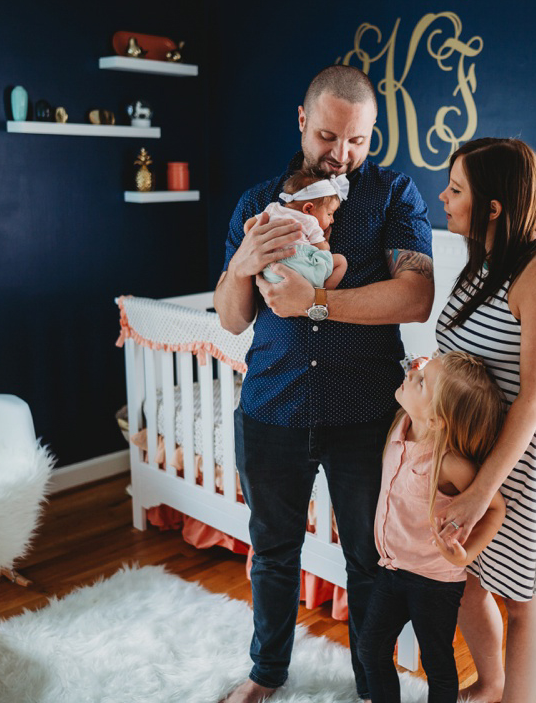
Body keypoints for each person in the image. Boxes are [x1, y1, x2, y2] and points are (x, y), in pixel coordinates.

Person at [213, 64, 435, 703]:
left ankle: (372, 685)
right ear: (303, 121)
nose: (343, 155)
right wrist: (240, 266)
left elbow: (415, 295)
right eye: (330, 137)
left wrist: (316, 303)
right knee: (273, 552)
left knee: (370, 562)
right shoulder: (259, 204)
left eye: (359, 140)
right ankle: (266, 672)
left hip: (365, 407)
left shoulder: (394, 195)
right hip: (272, 403)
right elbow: (232, 320)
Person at [432, 137, 536, 703]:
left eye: (456, 190)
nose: (443, 197)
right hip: (470, 455)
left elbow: (533, 398)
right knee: (464, 577)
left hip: (519, 464)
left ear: (494, 206)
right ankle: (491, 684)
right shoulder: (480, 260)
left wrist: (482, 492)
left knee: (524, 599)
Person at [358, 351, 507, 703]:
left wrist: (465, 554)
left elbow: (495, 508)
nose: (412, 373)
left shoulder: (450, 464)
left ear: (438, 421)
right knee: (370, 649)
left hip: (434, 583)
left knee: (437, 665)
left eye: (422, 380)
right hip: (392, 570)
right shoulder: (399, 425)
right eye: (420, 371)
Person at [253, 163, 349, 289]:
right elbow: (322, 249)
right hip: (302, 268)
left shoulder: (273, 208)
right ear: (308, 208)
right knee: (341, 261)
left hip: (271, 272)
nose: (332, 220)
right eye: (329, 214)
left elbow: (249, 226)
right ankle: (322, 294)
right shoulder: (310, 221)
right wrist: (325, 240)